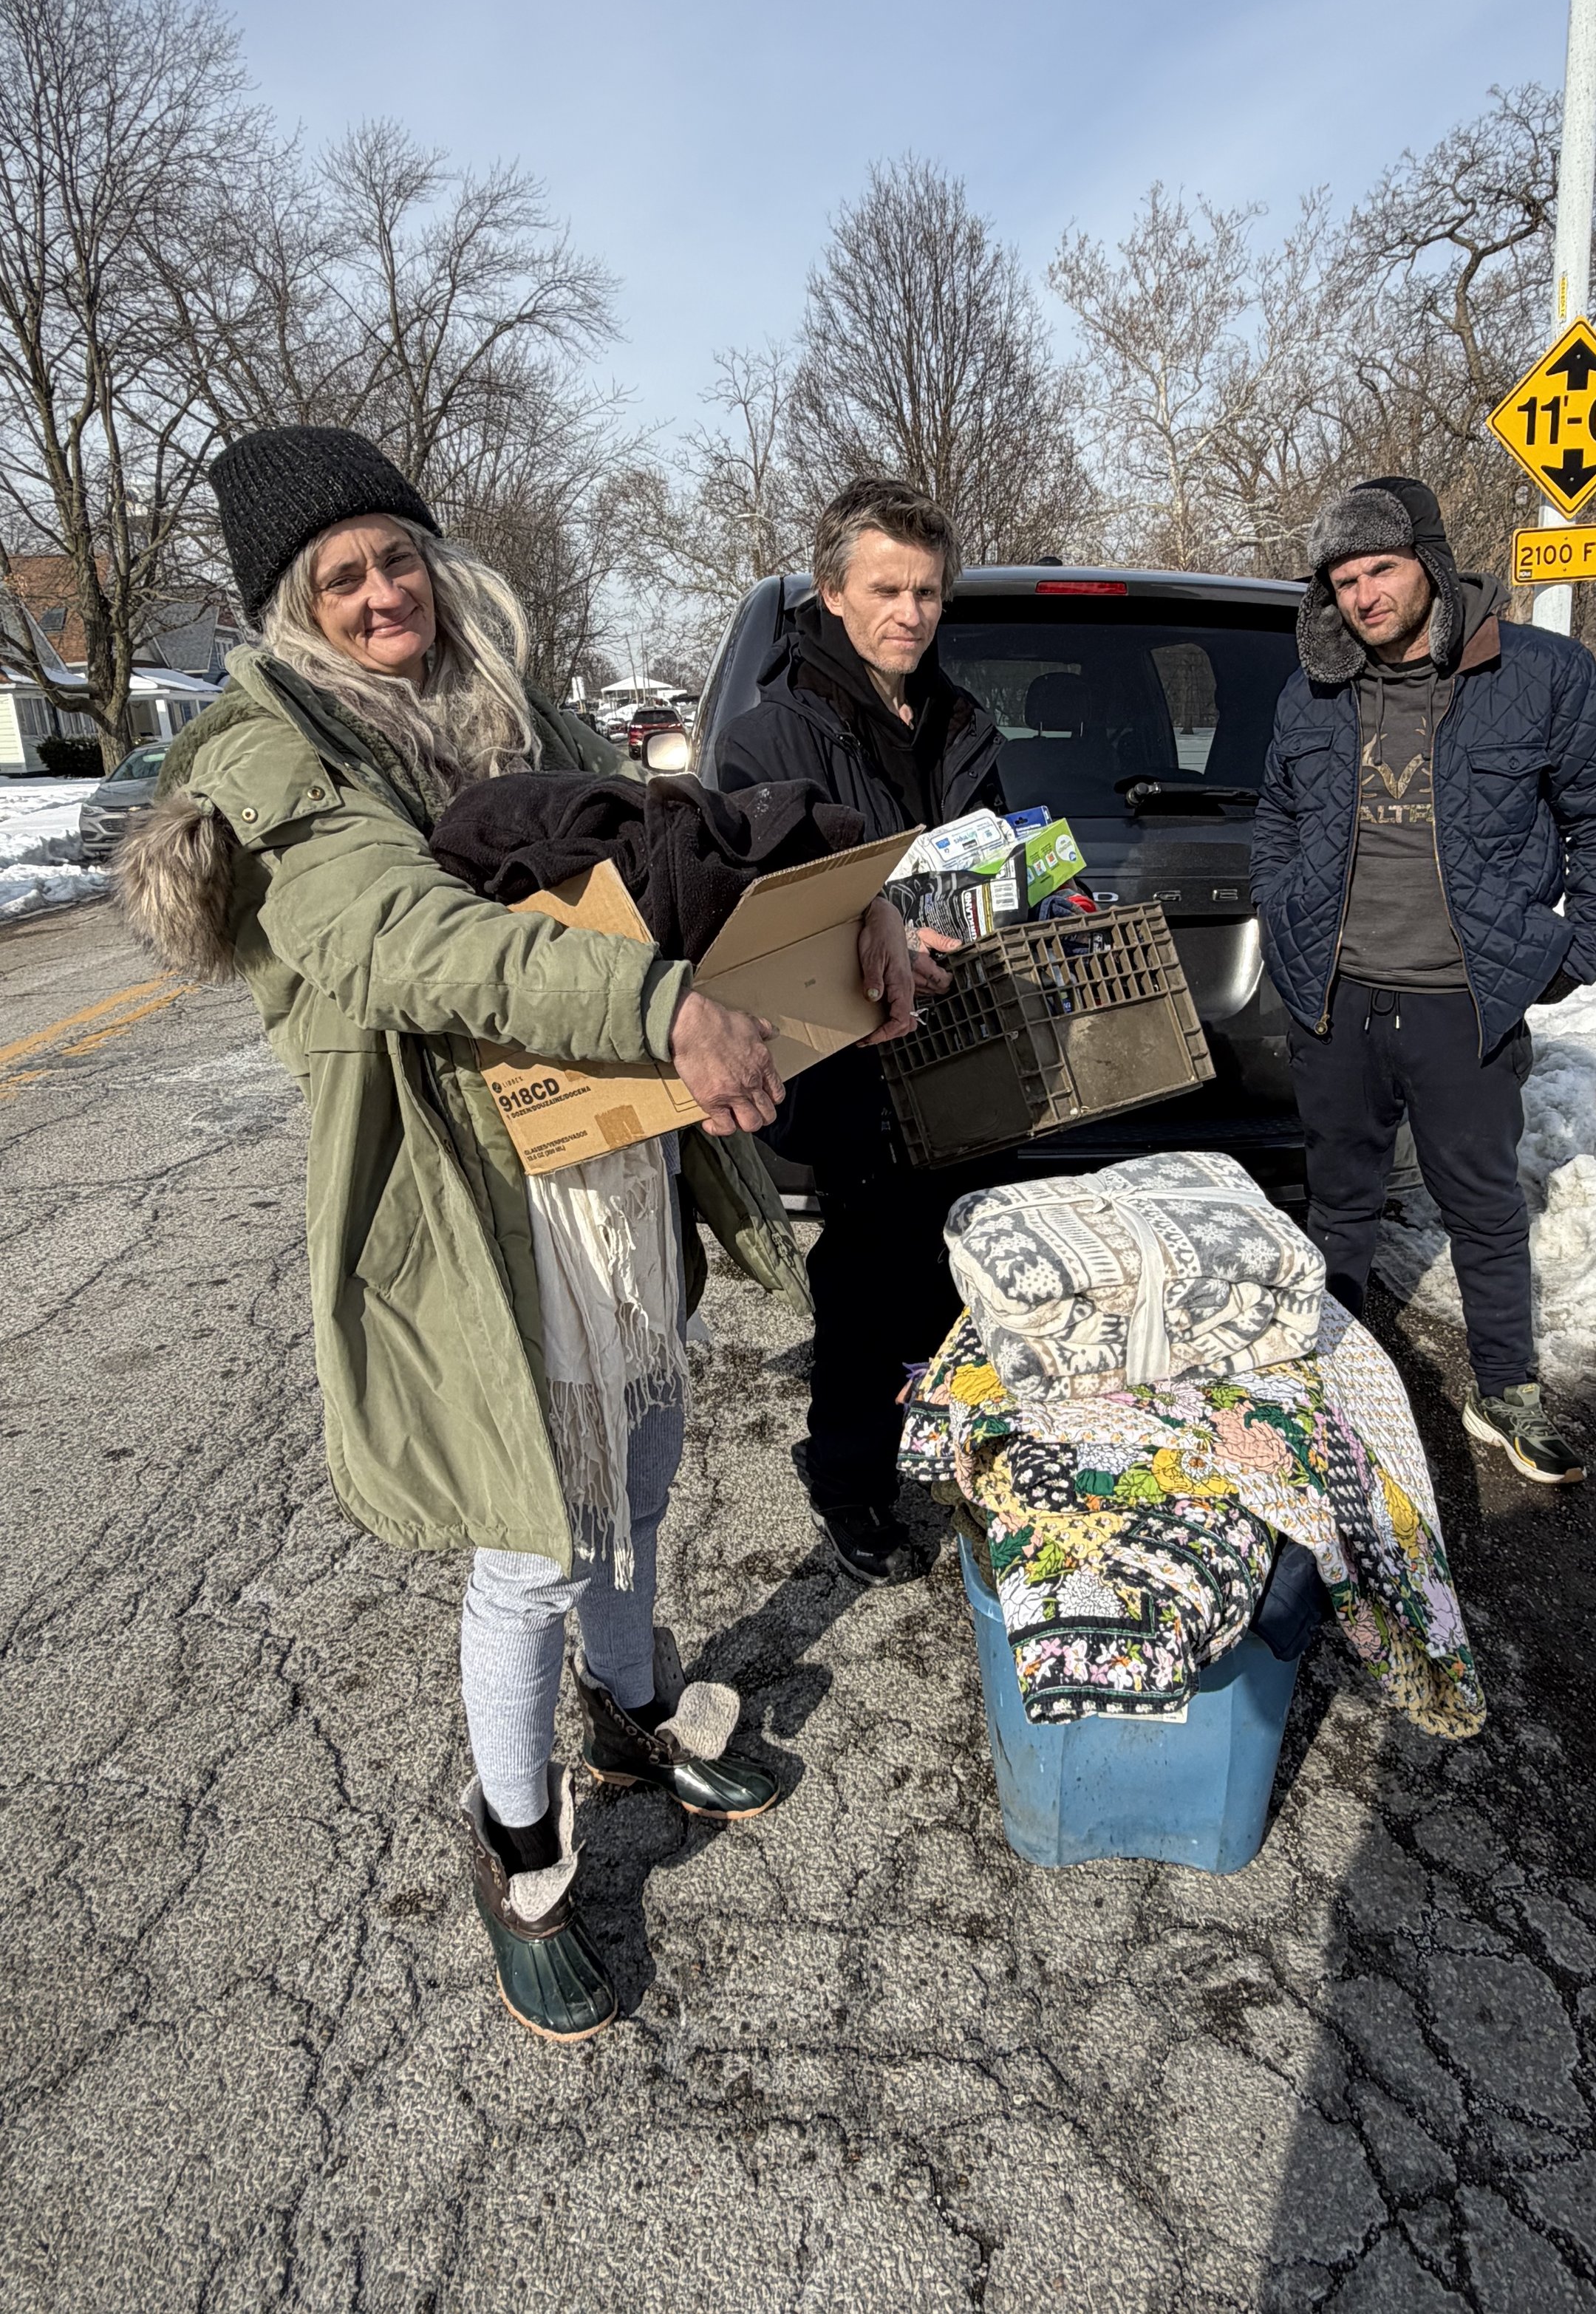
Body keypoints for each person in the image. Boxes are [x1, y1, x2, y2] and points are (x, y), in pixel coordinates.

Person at [117, 426, 916, 2043]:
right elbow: (402, 935)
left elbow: (661, 829)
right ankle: (521, 1849)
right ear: (289, 604)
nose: (378, 591)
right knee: (530, 1526)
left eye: (393, 553)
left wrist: (842, 893)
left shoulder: (504, 694)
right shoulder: (270, 746)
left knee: (641, 1445)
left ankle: (631, 1715)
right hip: (457, 1185)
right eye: (335, 576)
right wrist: (658, 1002)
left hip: (600, 1147)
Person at [1251, 475, 1596, 1487]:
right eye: (1343, 580)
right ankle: (1334, 1386)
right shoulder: (1313, 690)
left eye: (1381, 568)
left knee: (1481, 1203)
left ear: (1428, 559)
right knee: (1339, 1199)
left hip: (1461, 999)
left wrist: (1577, 946)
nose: (1364, 596)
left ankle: (1505, 1390)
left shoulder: (1541, 675)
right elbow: (1279, 815)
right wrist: (1285, 909)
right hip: (1336, 995)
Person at [715, 477, 1005, 1582]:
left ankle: (942, 1440)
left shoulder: (963, 717)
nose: (912, 612)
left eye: (928, 591)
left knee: (954, 1254)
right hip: (846, 1051)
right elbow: (754, 912)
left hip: (965, 1039)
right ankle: (848, 1479)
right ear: (833, 591)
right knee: (866, 1267)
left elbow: (991, 853)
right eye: (887, 587)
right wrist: (877, 947)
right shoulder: (765, 737)